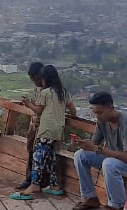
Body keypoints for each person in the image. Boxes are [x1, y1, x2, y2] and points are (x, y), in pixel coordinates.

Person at [10, 65, 77, 200]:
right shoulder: (63, 92)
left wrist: (27, 103)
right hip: (58, 130)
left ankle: (34, 185)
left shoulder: (45, 93)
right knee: (51, 158)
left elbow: (38, 110)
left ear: (45, 79)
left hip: (46, 129)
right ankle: (54, 185)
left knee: (38, 157)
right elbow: (73, 111)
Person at [15, 62, 45, 191]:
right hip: (34, 124)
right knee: (31, 152)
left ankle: (38, 181)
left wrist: (28, 104)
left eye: (35, 79)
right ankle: (29, 178)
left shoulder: (48, 91)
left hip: (43, 127)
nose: (34, 82)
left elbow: (39, 110)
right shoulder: (38, 89)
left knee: (40, 155)